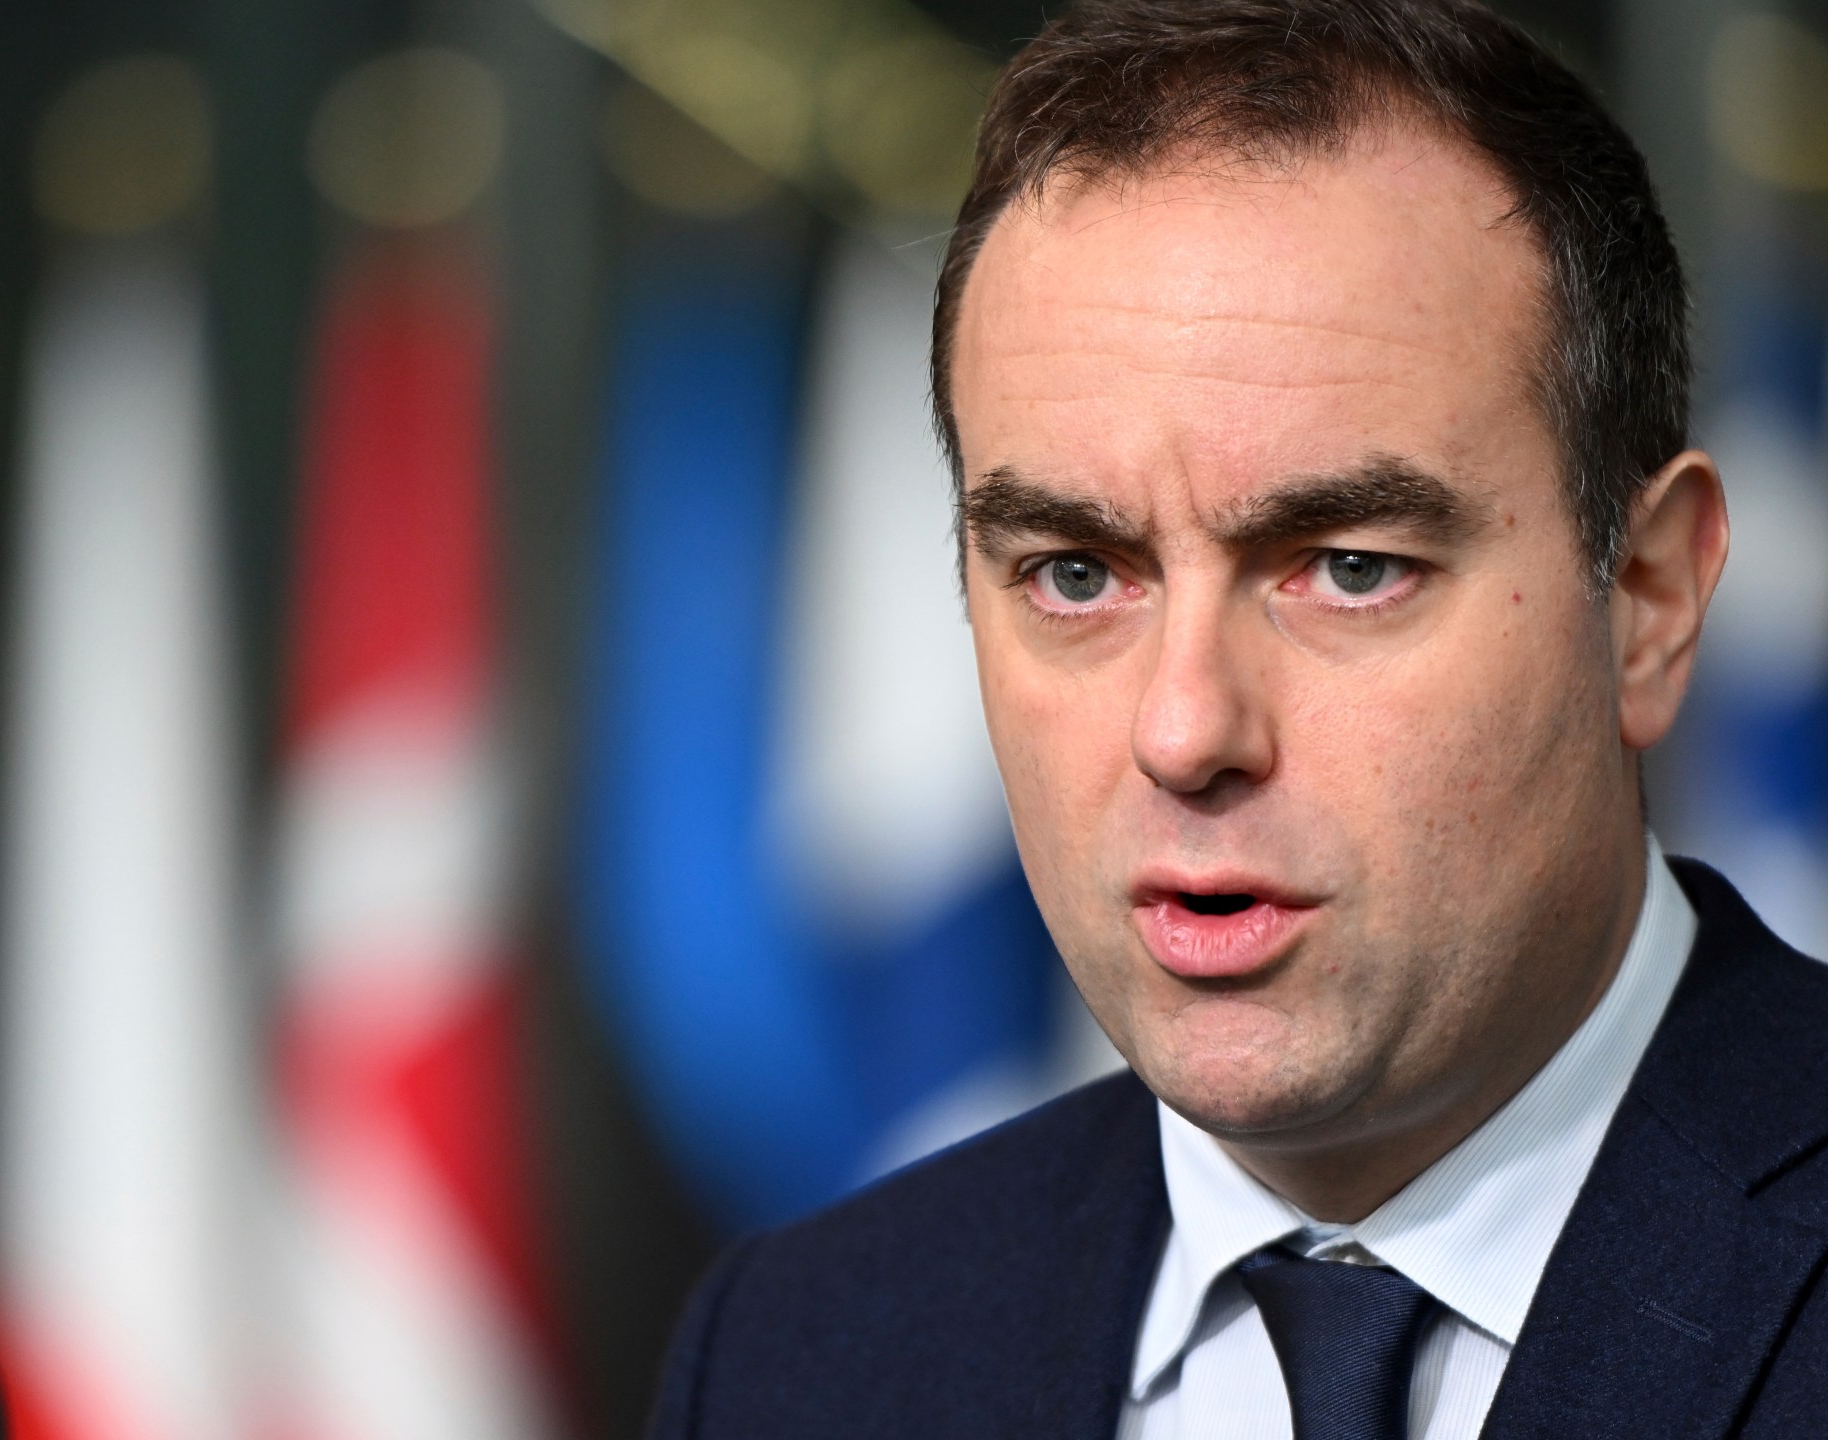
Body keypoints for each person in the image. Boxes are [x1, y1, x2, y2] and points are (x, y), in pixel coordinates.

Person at [645, 2, 1828, 1436]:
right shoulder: (804, 1354)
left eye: (1349, 569)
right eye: (1076, 574)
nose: (1185, 729)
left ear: (1645, 596)